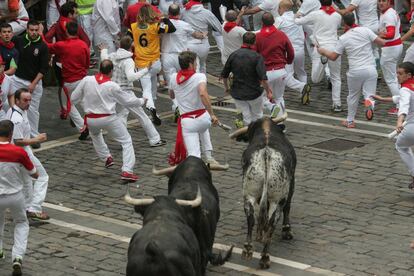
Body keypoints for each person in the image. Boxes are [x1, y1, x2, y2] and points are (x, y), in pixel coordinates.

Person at [71, 60, 141, 182]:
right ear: (111, 71)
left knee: (96, 135)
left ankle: (106, 158)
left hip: (91, 119)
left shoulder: (87, 80)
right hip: (109, 118)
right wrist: (142, 101)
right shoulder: (112, 86)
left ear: (99, 69)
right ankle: (127, 170)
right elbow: (127, 101)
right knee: (126, 141)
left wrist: (84, 103)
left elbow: (73, 98)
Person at [318, 13, 385, 128]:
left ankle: (350, 121)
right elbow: (381, 42)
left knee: (353, 96)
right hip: (370, 68)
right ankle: (368, 101)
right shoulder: (365, 30)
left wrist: (323, 51)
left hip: (355, 71)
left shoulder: (343, 38)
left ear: (344, 23)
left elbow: (334, 56)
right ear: (354, 20)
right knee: (369, 94)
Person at [100, 36, 166, 147]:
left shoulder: (112, 56)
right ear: (131, 46)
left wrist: (104, 49)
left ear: (120, 45)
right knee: (141, 116)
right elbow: (131, 77)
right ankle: (154, 139)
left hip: (114, 91)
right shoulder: (128, 61)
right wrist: (146, 69)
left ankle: (122, 141)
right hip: (126, 92)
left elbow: (104, 59)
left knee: (121, 115)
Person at [0, 119, 38, 276]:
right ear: (10, 135)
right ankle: (17, 257)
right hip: (15, 195)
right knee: (22, 223)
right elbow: (34, 173)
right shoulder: (18, 152)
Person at [168, 51, 220, 165]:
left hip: (187, 121)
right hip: (203, 119)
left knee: (193, 155)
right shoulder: (200, 76)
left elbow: (171, 95)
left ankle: (196, 163)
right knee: (203, 127)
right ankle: (209, 156)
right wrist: (212, 114)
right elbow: (202, 93)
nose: (197, 65)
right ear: (191, 64)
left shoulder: (173, 77)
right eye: (196, 62)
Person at [7, 88, 50, 221]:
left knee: (26, 182)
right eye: (25, 100)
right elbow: (18, 141)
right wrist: (37, 139)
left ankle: (27, 208)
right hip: (22, 153)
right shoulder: (17, 118)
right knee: (42, 177)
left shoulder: (18, 110)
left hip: (18, 154)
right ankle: (35, 208)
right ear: (17, 100)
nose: (28, 103)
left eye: (30, 100)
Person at [43, 21, 90, 140]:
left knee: (67, 104)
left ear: (66, 31)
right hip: (83, 79)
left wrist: (40, 33)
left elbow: (47, 46)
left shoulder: (62, 45)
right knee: (85, 102)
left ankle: (82, 127)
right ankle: (91, 124)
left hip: (69, 81)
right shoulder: (84, 45)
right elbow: (87, 63)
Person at [130, 5, 176, 126]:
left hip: (142, 63)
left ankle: (150, 106)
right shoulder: (155, 26)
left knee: (146, 89)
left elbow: (127, 39)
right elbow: (172, 28)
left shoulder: (133, 27)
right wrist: (164, 19)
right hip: (155, 63)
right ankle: (153, 106)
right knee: (153, 84)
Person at [372, 62, 414, 189]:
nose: (397, 76)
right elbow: (402, 98)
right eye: (397, 73)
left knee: (401, 146)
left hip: (412, 127)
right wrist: (384, 99)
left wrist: (399, 121)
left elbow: (404, 104)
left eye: (400, 73)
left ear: (409, 75)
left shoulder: (405, 89)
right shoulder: (410, 87)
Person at [295, 0, 342, 112]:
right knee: (336, 78)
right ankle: (337, 104)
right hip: (334, 48)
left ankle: (323, 62)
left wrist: (294, 14)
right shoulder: (337, 15)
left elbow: (298, 21)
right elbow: (338, 26)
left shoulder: (315, 14)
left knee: (315, 79)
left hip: (320, 48)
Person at [221, 32, 271, 128]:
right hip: (254, 92)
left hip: (237, 92)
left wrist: (227, 88)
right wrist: (268, 91)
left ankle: (247, 131)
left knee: (245, 115)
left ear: (243, 40)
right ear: (254, 42)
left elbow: (224, 75)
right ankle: (256, 133)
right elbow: (263, 78)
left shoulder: (233, 55)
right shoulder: (257, 57)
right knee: (257, 115)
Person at [161, 4, 205, 111]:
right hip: (182, 57)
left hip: (167, 56)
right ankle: (187, 105)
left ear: (169, 13)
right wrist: (203, 34)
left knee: (172, 83)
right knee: (185, 81)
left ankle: (176, 105)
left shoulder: (163, 25)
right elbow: (196, 35)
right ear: (179, 14)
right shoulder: (185, 25)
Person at [12, 20, 49, 145]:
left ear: (39, 30)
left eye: (36, 30)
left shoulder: (43, 46)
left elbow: (44, 69)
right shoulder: (19, 40)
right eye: (31, 30)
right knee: (13, 107)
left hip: (34, 83)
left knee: (33, 110)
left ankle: (34, 137)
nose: (33, 32)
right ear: (27, 30)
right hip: (17, 80)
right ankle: (15, 134)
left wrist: (33, 83)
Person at [256, 12, 294, 118]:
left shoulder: (258, 37)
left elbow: (254, 55)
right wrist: (288, 61)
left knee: (261, 97)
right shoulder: (281, 34)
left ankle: (270, 107)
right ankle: (280, 123)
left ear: (262, 22)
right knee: (279, 97)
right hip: (280, 71)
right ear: (273, 21)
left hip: (265, 72)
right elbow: (290, 51)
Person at [276, 0, 311, 104]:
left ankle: (302, 87)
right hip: (300, 50)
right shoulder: (298, 17)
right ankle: (304, 94)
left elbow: (270, 30)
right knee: (301, 72)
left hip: (288, 52)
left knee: (286, 77)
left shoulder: (280, 19)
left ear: (282, 8)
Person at [181, 0, 223, 74]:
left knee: (193, 68)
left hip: (189, 43)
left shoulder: (184, 11)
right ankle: (203, 83)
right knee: (202, 66)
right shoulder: (206, 12)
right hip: (204, 44)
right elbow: (219, 28)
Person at [378, 0, 403, 115]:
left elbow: (391, 34)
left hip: (390, 49)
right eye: (379, 1)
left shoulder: (388, 15)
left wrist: (378, 36)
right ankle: (402, 102)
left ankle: (400, 106)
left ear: (389, 2)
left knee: (391, 79)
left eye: (383, 1)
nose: (381, 3)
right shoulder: (391, 12)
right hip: (395, 47)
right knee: (394, 77)